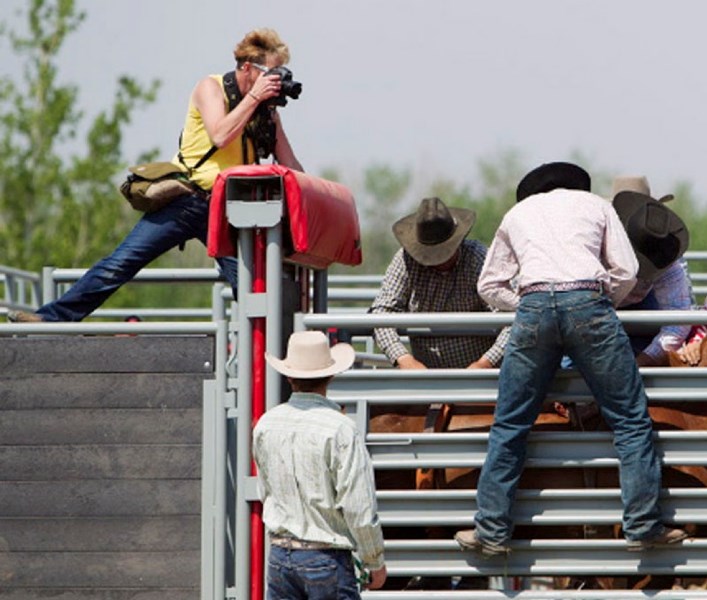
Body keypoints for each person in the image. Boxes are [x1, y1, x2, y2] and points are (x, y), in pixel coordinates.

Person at [453, 161, 688, 556]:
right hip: (588, 302)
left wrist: (528, 303)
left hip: (533, 307)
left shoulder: (518, 213)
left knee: (510, 422)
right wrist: (599, 303)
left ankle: (491, 529)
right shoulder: (596, 206)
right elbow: (627, 269)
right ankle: (643, 525)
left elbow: (488, 284)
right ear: (578, 185)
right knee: (629, 418)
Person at [8, 28, 302, 323]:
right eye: (272, 73)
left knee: (254, 288)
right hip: (187, 200)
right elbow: (220, 135)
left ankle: (272, 359)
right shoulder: (210, 88)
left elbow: (291, 166)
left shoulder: (266, 113)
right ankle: (51, 318)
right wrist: (253, 98)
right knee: (120, 264)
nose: (276, 82)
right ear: (249, 68)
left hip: (229, 212)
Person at [253, 330, 387, 598]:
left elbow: (265, 490)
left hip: (280, 554)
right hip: (326, 556)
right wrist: (374, 560)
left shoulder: (267, 423)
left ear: (289, 376)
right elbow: (358, 506)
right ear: (331, 375)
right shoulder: (341, 428)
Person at [369, 197, 509, 369]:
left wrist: (484, 363)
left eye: (444, 252)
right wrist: (404, 359)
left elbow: (512, 317)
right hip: (426, 380)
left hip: (480, 379)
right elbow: (381, 312)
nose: (439, 260)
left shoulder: (477, 259)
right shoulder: (406, 260)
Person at [610, 176, 692, 366]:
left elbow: (677, 322)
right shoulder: (597, 245)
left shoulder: (666, 254)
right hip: (599, 307)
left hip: (639, 304)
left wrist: (637, 366)